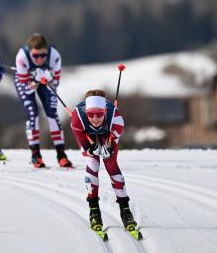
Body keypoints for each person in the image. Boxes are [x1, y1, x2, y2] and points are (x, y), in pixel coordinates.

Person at [70, 90, 139, 235]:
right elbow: (84, 144)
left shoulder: (116, 119)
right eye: (91, 114)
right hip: (87, 135)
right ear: (86, 112)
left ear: (105, 112)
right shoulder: (77, 119)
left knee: (111, 164)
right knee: (93, 165)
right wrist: (90, 150)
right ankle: (94, 211)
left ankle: (125, 210)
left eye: (99, 114)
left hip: (108, 134)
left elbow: (112, 140)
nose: (95, 118)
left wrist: (107, 147)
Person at [14, 33, 72, 168]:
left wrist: (49, 77)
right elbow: (26, 89)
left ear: (47, 52)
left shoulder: (55, 56)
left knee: (52, 114)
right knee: (32, 115)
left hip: (46, 82)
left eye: (43, 55)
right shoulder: (22, 57)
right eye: (35, 56)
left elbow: (56, 83)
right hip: (27, 83)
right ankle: (36, 155)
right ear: (30, 52)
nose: (40, 59)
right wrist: (35, 80)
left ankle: (61, 155)